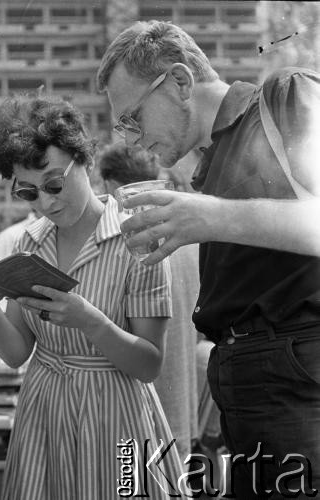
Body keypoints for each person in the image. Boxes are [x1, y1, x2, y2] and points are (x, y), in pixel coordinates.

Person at [97, 20, 320, 499]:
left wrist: (211, 217)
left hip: (296, 378)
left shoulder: (285, 94)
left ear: (179, 82)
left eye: (134, 117)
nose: (132, 138)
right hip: (251, 387)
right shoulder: (209, 165)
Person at [0, 95, 182, 499]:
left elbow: (149, 364)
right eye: (28, 192)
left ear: (85, 161)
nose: (46, 203)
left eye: (55, 184)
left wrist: (89, 319)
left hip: (116, 415)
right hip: (44, 413)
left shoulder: (138, 242)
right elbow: (15, 354)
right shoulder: (29, 243)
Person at [98, 142, 200, 463]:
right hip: (181, 403)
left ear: (111, 187)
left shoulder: (129, 246)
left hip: (135, 414)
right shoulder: (189, 239)